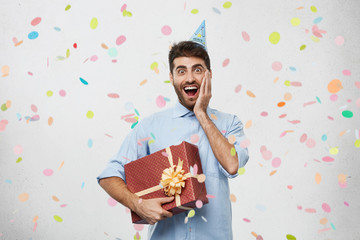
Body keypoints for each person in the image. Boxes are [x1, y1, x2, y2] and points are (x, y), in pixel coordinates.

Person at [97, 40, 249, 239]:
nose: (190, 78)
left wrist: (201, 113)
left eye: (197, 70)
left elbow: (232, 165)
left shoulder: (230, 123)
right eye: (181, 71)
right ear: (171, 77)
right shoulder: (149, 126)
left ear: (209, 75)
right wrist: (138, 205)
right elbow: (108, 176)